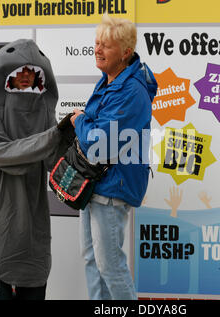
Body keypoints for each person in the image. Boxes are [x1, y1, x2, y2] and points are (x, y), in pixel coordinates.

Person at [0, 39, 72, 300]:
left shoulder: (43, 113)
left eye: (32, 70)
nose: (27, 75)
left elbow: (55, 161)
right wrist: (52, 136)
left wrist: (71, 137)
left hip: (34, 235)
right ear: (6, 76)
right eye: (20, 70)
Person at [70, 14, 158, 300]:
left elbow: (100, 144)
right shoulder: (108, 81)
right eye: (97, 43)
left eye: (106, 45)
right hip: (95, 185)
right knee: (93, 262)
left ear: (125, 53)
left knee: (111, 267)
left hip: (112, 188)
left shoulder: (131, 90)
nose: (97, 49)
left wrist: (79, 122)